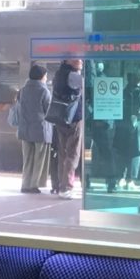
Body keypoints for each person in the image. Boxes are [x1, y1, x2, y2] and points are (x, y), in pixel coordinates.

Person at [12, 64, 52, 193]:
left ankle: (25, 185)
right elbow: (49, 111)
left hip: (24, 129)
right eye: (45, 75)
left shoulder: (23, 90)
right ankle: (34, 185)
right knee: (39, 158)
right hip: (40, 130)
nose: (46, 78)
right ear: (41, 76)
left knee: (27, 159)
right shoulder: (44, 91)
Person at [50, 57, 84, 200]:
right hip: (74, 118)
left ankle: (60, 185)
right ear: (68, 61)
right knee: (73, 154)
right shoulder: (74, 76)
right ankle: (66, 187)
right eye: (77, 59)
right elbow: (86, 88)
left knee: (63, 153)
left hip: (61, 117)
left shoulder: (58, 75)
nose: (81, 61)